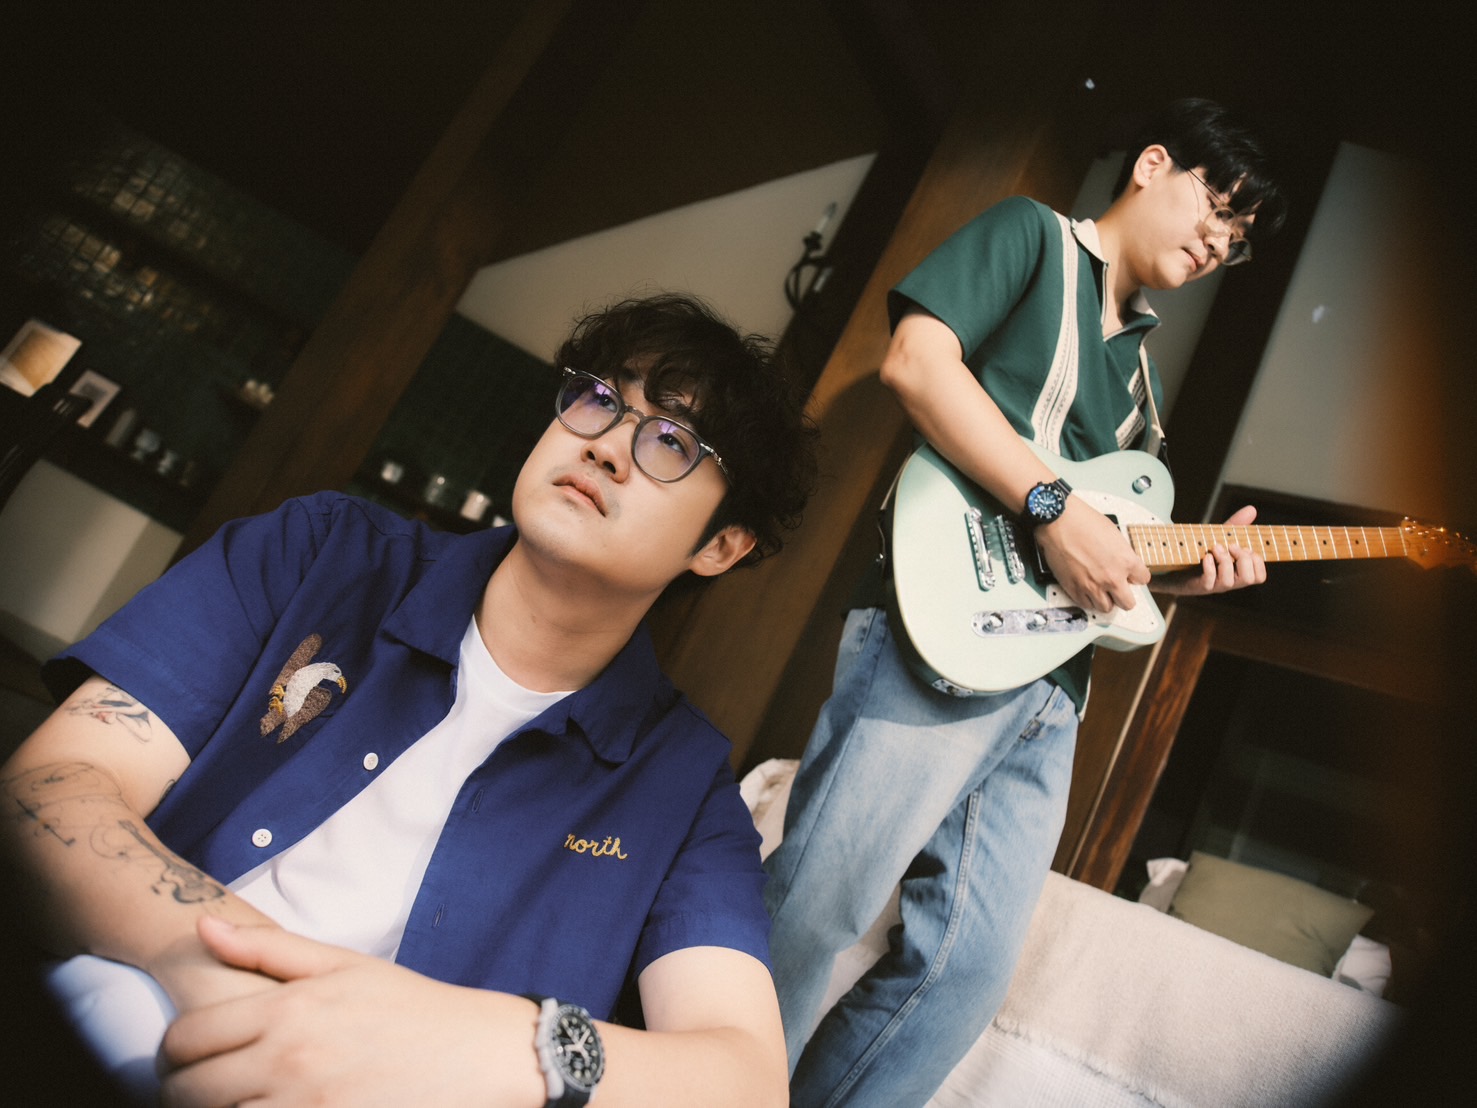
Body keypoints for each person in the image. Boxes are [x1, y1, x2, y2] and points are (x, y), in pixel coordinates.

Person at [0, 292, 817, 1107]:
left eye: (670, 441)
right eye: (600, 399)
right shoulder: (319, 553)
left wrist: (491, 1046)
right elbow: (47, 788)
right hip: (119, 1021)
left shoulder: (679, 781)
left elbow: (744, 1082)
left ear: (720, 546)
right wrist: (248, 983)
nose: (605, 446)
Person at [762, 98, 1288, 1107]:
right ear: (1150, 164)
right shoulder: (1031, 237)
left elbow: (1108, 554)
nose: (1218, 244)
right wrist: (1050, 506)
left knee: (963, 974)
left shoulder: (1141, 388)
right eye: (1217, 208)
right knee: (813, 908)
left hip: (1053, 688)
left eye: (1235, 242)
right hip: (935, 633)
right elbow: (916, 362)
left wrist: (1188, 571)